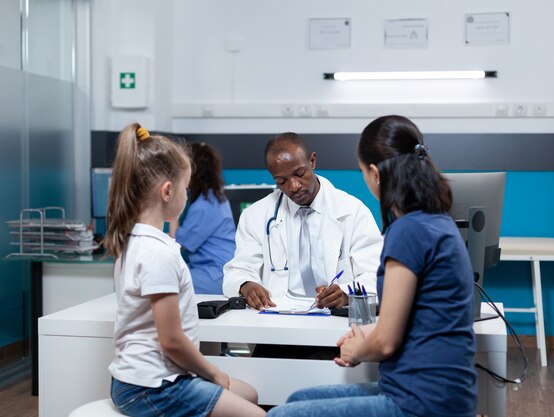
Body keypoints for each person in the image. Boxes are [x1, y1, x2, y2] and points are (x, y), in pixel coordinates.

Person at [266, 115, 478, 417]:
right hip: (437, 391)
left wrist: (358, 349)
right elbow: (417, 317)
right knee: (298, 398)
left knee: (278, 415)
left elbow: (387, 344)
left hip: (421, 401)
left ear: (375, 173)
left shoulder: (407, 231)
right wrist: (367, 334)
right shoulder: (437, 222)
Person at [105, 123, 265, 417]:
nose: (187, 197)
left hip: (140, 379)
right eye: (185, 189)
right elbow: (172, 341)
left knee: (250, 394)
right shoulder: (158, 254)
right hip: (154, 387)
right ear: (167, 192)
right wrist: (215, 374)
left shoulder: (132, 244)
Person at [222, 132, 383, 310]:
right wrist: (245, 285)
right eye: (281, 181)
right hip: (276, 320)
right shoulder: (255, 215)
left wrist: (345, 293)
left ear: (312, 161)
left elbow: (376, 275)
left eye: (299, 174)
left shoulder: (353, 211)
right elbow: (237, 271)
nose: (293, 186)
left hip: (335, 322)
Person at [169, 142, 236, 294]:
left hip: (214, 276)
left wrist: (173, 202)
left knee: (166, 282)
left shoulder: (204, 206)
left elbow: (178, 242)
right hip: (220, 272)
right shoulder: (217, 199)